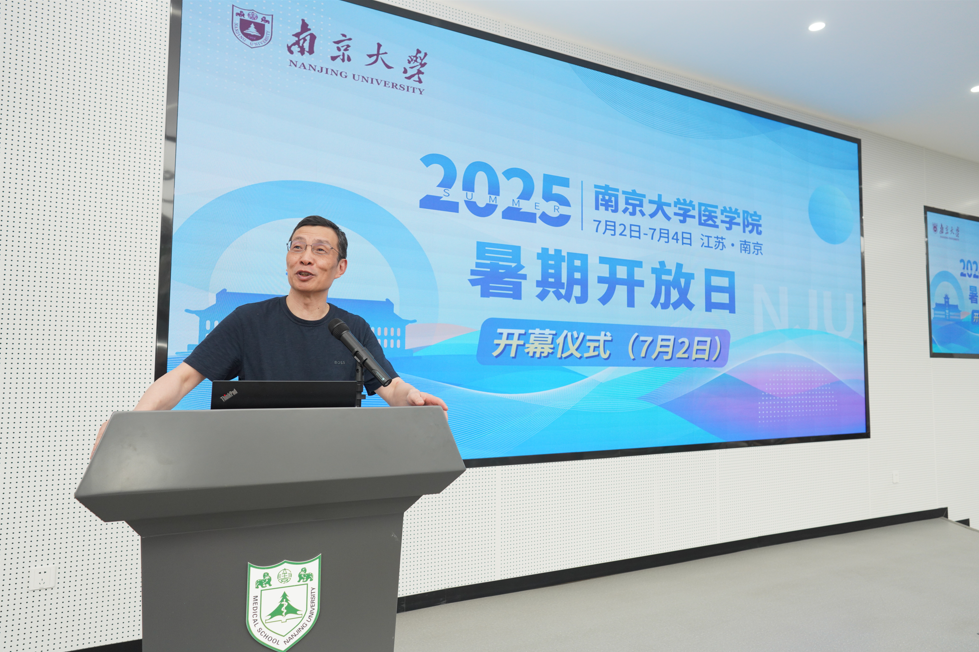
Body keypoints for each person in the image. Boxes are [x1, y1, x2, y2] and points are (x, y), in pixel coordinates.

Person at [91, 215, 446, 455]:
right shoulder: (248, 321)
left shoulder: (352, 329)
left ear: (340, 268)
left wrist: (415, 400)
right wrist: (131, 423)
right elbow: (183, 378)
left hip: (334, 465)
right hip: (253, 463)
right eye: (297, 247)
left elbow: (391, 388)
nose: (305, 258)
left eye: (320, 250)